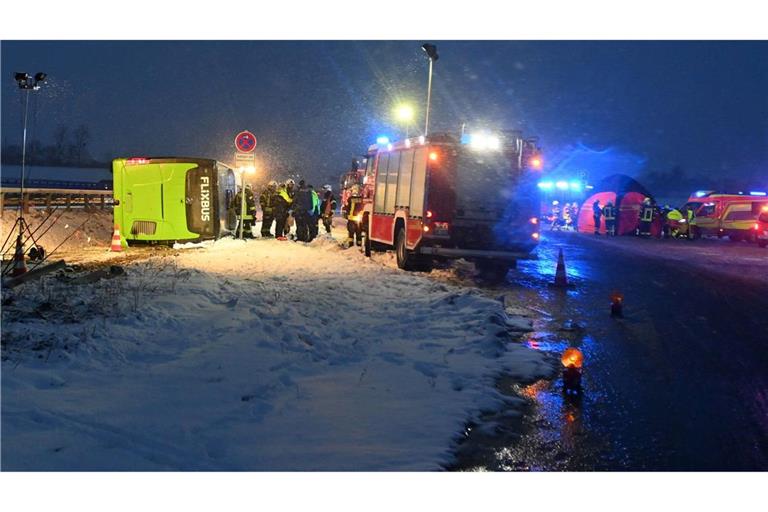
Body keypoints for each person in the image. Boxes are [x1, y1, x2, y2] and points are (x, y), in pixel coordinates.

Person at [342, 182, 363, 247]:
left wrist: (344, 209)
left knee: (351, 234)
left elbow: (347, 208)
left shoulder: (350, 199)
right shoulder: (362, 199)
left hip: (351, 219)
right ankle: (359, 246)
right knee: (359, 234)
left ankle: (351, 246)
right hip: (359, 220)